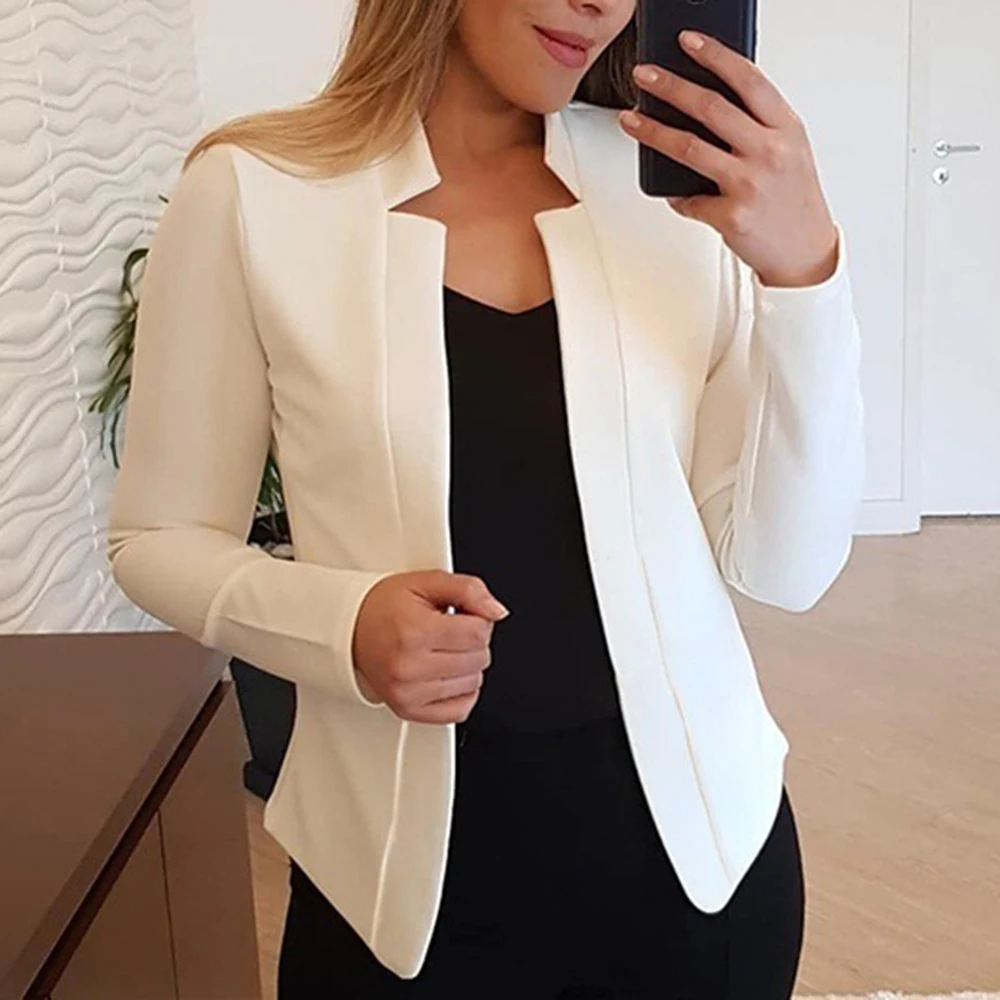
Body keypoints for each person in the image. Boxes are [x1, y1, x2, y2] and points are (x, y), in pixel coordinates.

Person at [107, 0, 866, 996]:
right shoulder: (256, 193)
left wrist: (805, 278)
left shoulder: (679, 199)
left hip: (702, 887)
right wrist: (344, 624)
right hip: (393, 905)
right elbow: (158, 535)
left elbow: (785, 566)